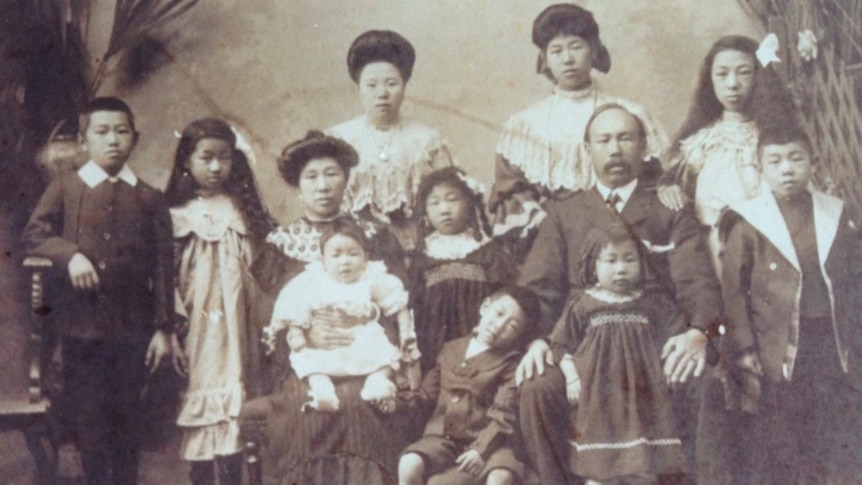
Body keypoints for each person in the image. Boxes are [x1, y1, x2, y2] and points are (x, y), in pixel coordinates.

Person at [516, 103, 722, 484]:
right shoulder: (565, 212)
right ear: (587, 149)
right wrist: (539, 341)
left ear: (643, 147)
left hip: (657, 338)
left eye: (626, 138)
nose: (615, 149)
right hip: (584, 343)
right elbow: (538, 288)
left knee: (704, 379)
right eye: (604, 140)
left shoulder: (667, 206)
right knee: (537, 387)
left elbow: (697, 279)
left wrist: (698, 333)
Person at [240, 131, 412, 484]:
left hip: (370, 357)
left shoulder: (374, 236)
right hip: (304, 362)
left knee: (358, 401)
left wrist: (368, 324)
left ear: (346, 181)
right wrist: (303, 332)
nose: (322, 186)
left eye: (331, 174)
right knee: (307, 404)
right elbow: (270, 319)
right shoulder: (280, 245)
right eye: (311, 177)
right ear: (299, 188)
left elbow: (398, 304)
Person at [22, 97, 173, 484]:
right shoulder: (66, 188)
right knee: (89, 424)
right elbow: (35, 233)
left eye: (122, 132)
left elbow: (162, 267)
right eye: (102, 132)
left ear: (134, 139)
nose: (113, 141)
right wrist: (70, 255)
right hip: (81, 331)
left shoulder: (148, 197)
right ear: (85, 141)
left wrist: (163, 328)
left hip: (133, 332)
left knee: (127, 424)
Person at [716, 127, 862, 484]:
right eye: (776, 161)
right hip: (775, 340)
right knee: (784, 419)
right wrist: (745, 346)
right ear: (760, 167)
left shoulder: (834, 212)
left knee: (835, 413)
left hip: (830, 334)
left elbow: (853, 276)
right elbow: (734, 289)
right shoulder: (749, 220)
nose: (787, 169)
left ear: (813, 164)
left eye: (796, 159)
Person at [488, 3, 668, 261]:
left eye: (576, 46)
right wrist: (554, 229)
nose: (567, 59)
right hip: (552, 242)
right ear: (545, 59)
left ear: (593, 51)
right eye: (556, 50)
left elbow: (650, 183)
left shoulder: (629, 115)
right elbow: (511, 191)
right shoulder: (524, 124)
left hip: (623, 241)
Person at [163, 118, 275, 485]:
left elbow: (265, 272)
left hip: (240, 328)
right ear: (186, 162)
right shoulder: (175, 217)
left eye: (224, 158)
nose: (215, 167)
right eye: (206, 158)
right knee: (202, 409)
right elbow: (164, 281)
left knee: (237, 416)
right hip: (195, 327)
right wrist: (170, 327)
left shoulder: (244, 212)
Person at [550, 223, 685, 484]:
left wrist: (668, 368)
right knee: (600, 464)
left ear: (642, 264)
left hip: (645, 391)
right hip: (599, 393)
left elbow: (674, 336)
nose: (621, 268)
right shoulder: (583, 304)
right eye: (610, 261)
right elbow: (560, 345)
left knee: (643, 462)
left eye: (629, 259)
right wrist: (571, 377)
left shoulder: (652, 302)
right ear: (594, 266)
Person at [657, 35, 797, 270]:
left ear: (758, 76)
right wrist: (669, 188)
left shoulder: (776, 138)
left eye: (743, 72)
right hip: (714, 252)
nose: (732, 84)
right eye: (722, 74)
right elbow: (677, 185)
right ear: (710, 80)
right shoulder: (701, 141)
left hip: (771, 248)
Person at [264, 219, 418, 413]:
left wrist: (405, 332)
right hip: (324, 347)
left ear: (366, 256)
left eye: (353, 254)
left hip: (363, 342)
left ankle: (377, 382)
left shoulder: (372, 276)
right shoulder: (313, 279)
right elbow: (296, 305)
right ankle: (322, 390)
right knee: (306, 361)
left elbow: (397, 303)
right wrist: (297, 334)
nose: (345, 261)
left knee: (387, 358)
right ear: (323, 260)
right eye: (336, 255)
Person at [398, 285, 540, 485]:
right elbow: (426, 395)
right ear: (484, 307)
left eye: (512, 326)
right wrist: (396, 400)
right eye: (499, 314)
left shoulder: (510, 363)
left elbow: (503, 413)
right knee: (408, 463)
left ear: (519, 335)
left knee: (499, 478)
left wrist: (480, 450)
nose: (499, 326)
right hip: (442, 440)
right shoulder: (451, 349)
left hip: (491, 443)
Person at [327, 29, 454, 250]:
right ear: (358, 89)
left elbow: (450, 199)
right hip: (352, 250)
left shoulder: (427, 140)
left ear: (404, 87)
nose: (382, 93)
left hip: (417, 248)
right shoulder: (337, 139)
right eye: (371, 85)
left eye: (391, 83)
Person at [410, 166, 518, 371]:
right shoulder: (422, 258)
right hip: (434, 348)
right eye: (435, 202)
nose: (444, 209)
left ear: (469, 203)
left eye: (452, 199)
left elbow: (506, 298)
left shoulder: (489, 253)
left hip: (483, 345)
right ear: (425, 211)